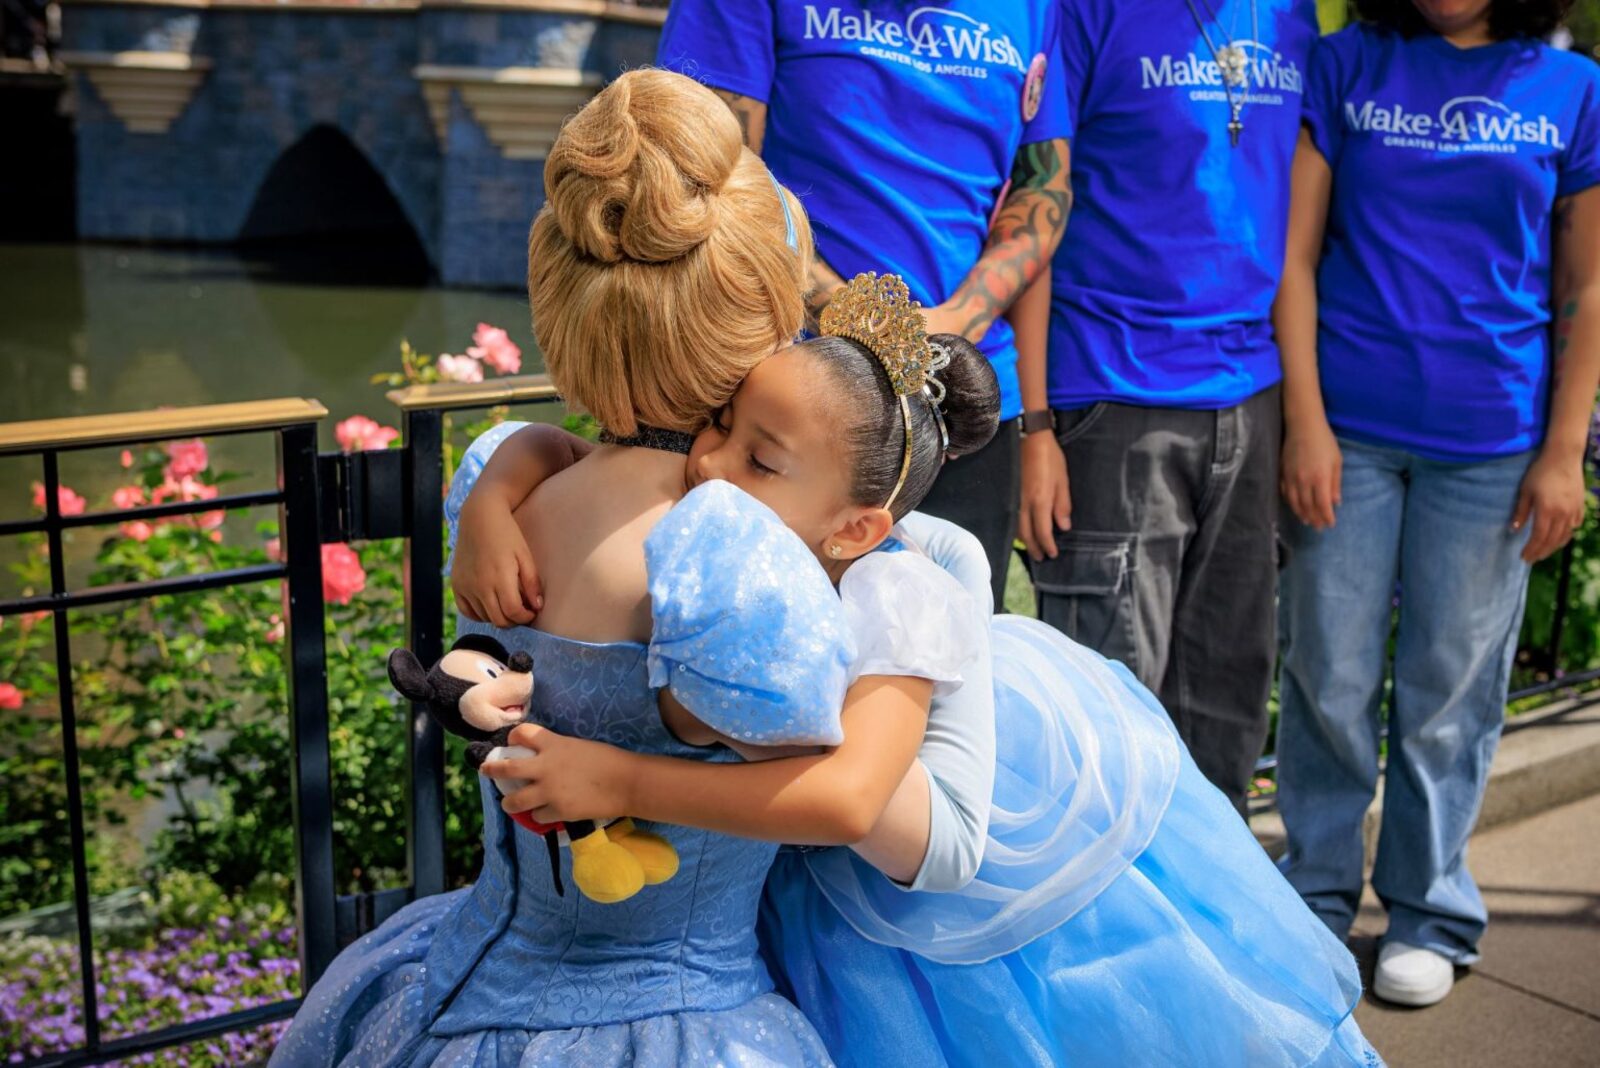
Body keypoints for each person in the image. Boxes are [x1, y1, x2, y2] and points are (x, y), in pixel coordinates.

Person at [458, 274, 1382, 1066]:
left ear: (856, 527)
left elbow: (886, 820)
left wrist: (617, 778)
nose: (703, 463)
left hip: (944, 903)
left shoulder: (900, 588)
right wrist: (495, 508)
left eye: (757, 459)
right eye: (721, 424)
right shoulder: (745, 558)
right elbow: (567, 449)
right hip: (792, 889)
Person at [268, 68, 838, 1066]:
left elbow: (541, 443)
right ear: (752, 311)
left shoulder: (516, 488)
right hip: (674, 1013)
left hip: (467, 972)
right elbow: (820, 794)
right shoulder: (731, 557)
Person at [1273, 0, 1600, 1008]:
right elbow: (1294, 257)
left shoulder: (1572, 90)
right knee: (1327, 674)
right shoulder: (1347, 63)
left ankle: (1427, 914)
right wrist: (1307, 425)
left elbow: (1588, 291)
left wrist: (1561, 454)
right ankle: (1315, 897)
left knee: (1448, 692)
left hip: (1492, 443)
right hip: (1352, 434)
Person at [654, 2, 1074, 608]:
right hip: (779, 406)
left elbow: (1044, 183)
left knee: (942, 666)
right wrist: (854, 318)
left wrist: (961, 318)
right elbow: (708, 168)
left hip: (963, 408)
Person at [1032, 0, 1321, 815]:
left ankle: (1215, 924)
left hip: (1250, 395)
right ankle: (1104, 930)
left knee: (1226, 707)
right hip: (1115, 395)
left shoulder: (1291, 15)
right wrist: (1038, 427)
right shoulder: (1084, 12)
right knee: (1108, 720)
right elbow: (1033, 198)